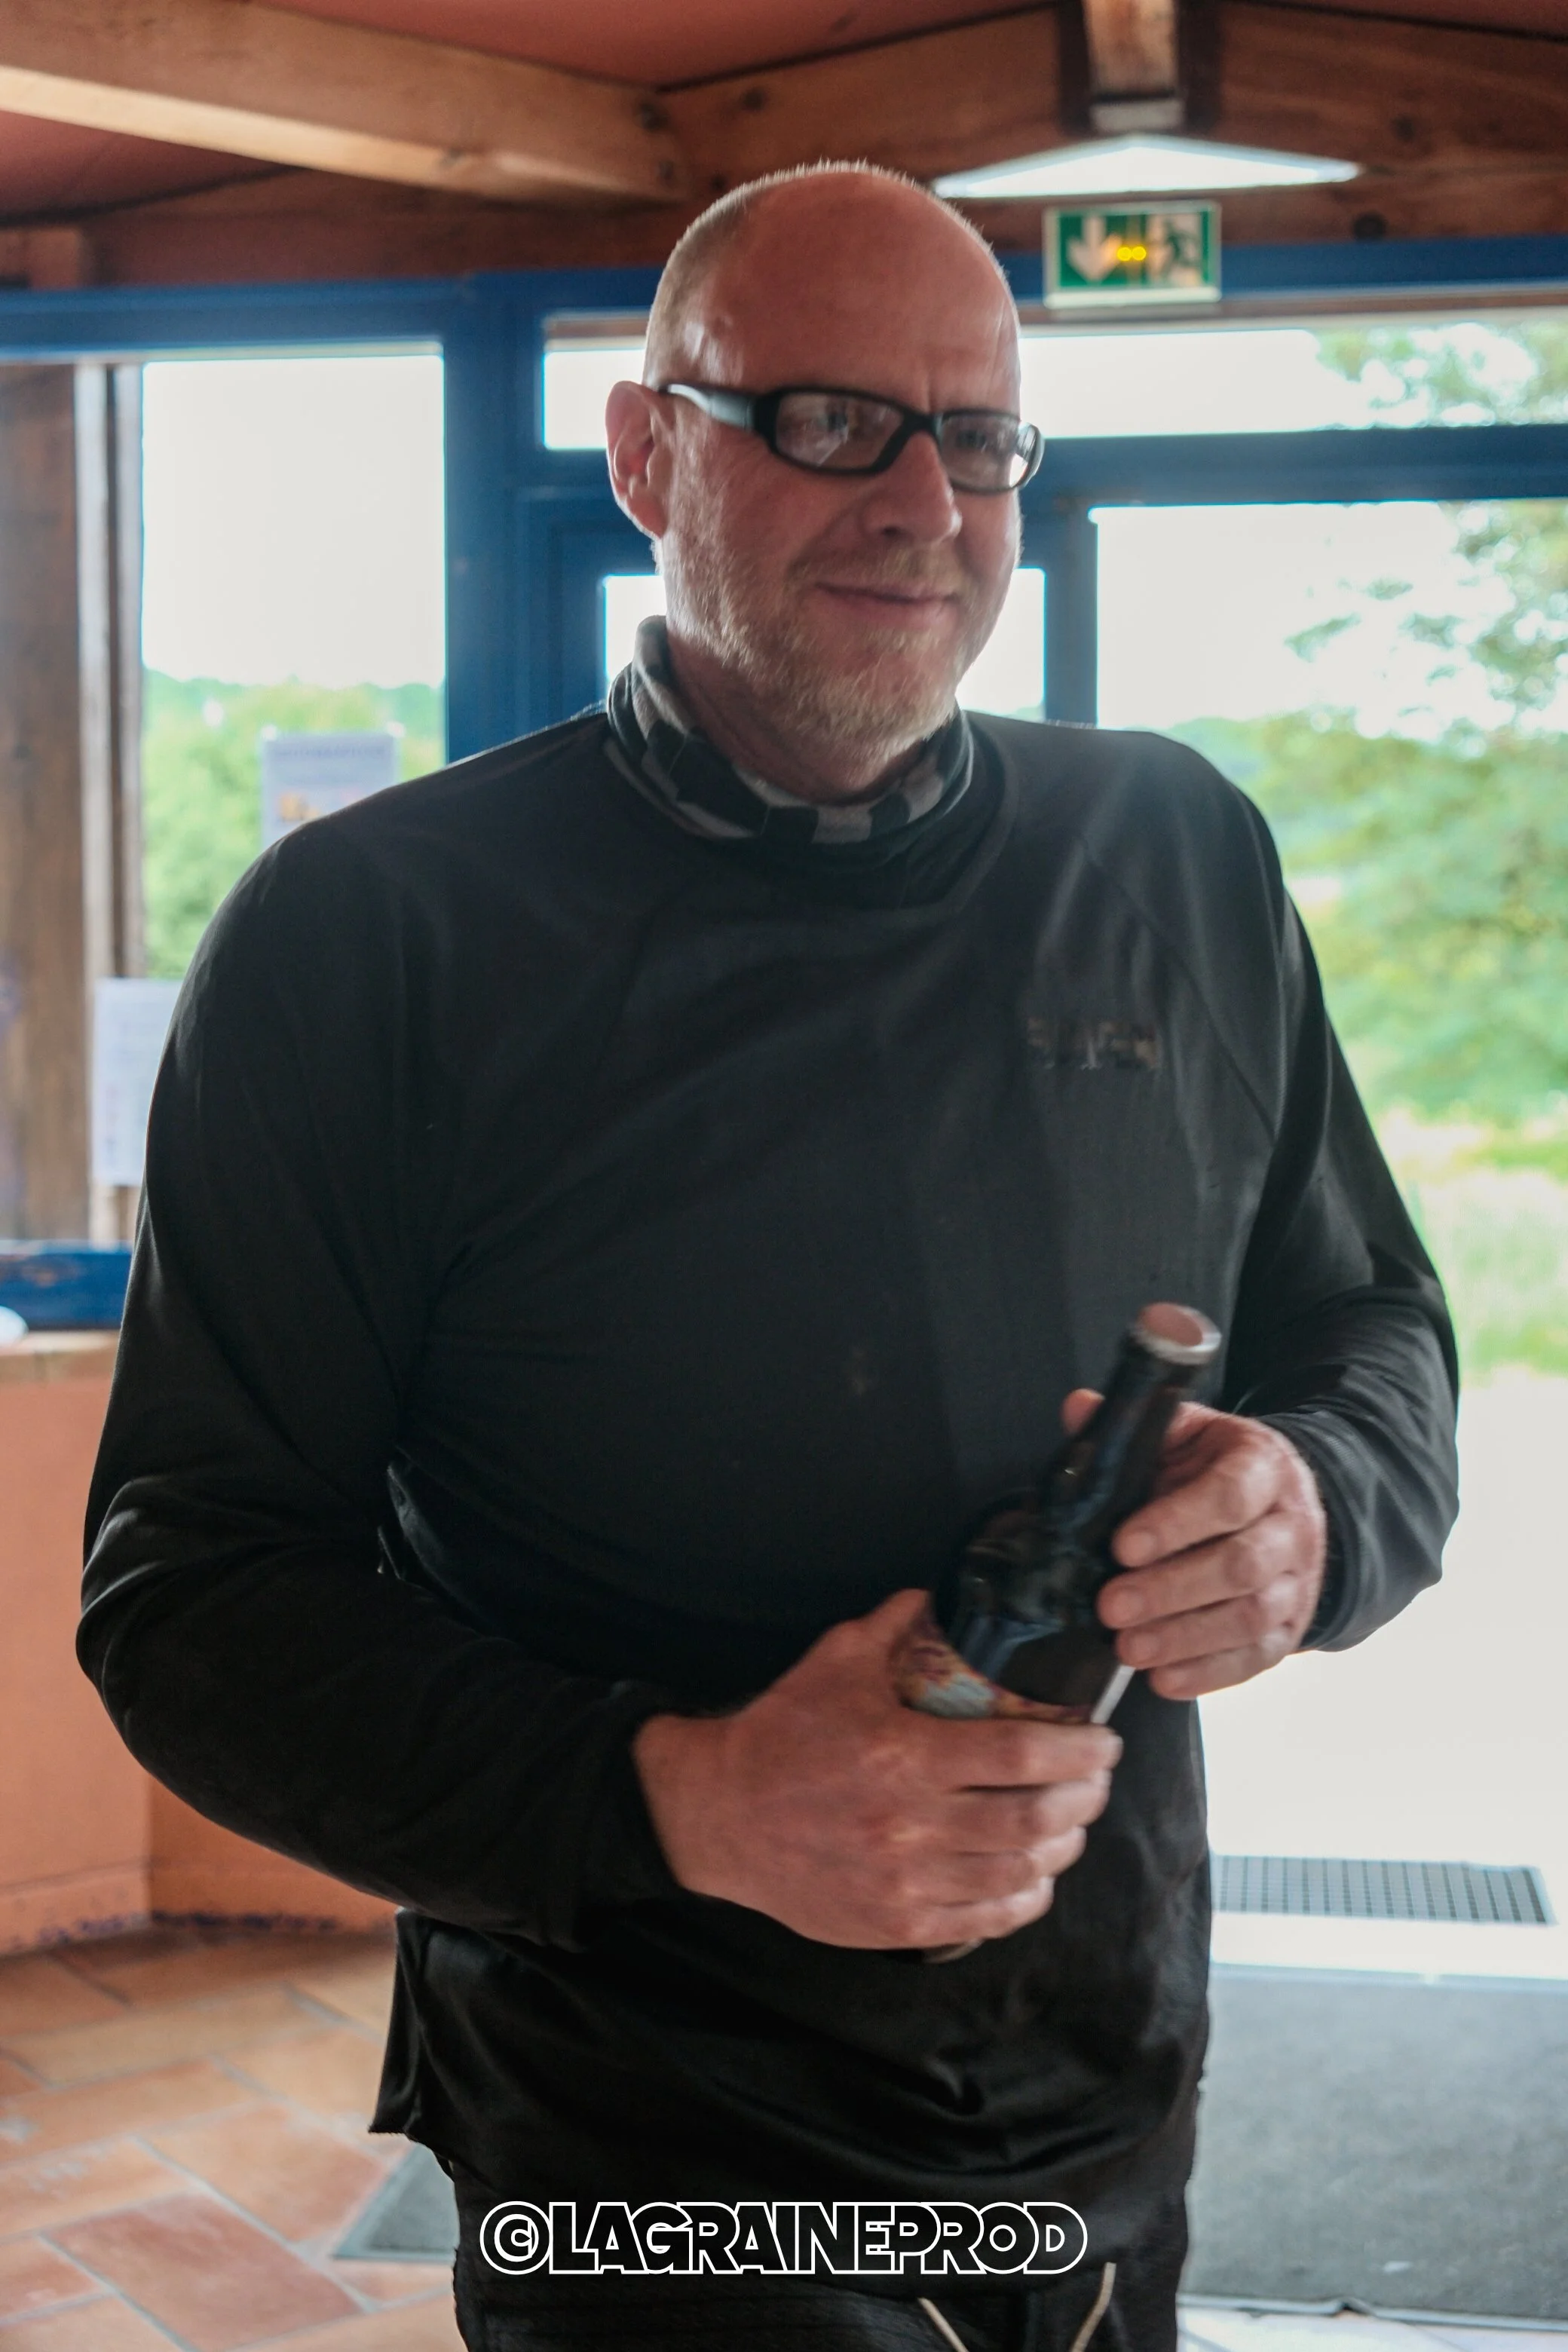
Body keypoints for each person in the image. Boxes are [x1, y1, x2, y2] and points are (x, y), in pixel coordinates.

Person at [79, 164, 1458, 2352]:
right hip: (642, 2136)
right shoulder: (380, 940)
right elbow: (189, 1593)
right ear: (647, 458)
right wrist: (683, 1796)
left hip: (1106, 2106)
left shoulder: (1177, 848)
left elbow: (1371, 1326)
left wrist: (1318, 1508)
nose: (929, 498)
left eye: (981, 435)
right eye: (831, 422)